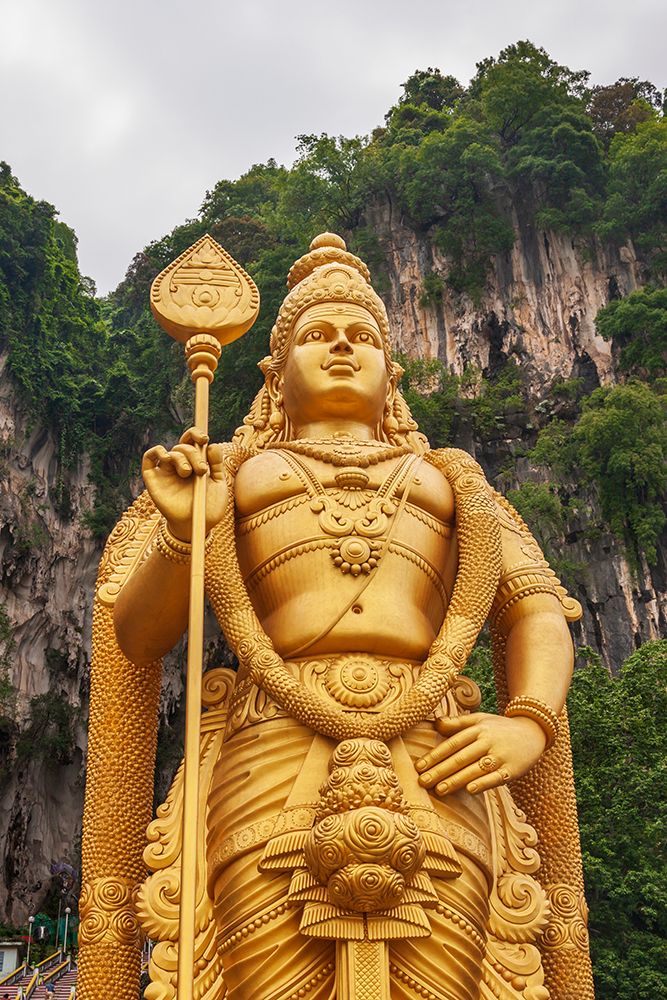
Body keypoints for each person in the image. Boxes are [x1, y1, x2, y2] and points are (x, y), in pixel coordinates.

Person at [80, 234, 593, 1000]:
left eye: (363, 337)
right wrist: (184, 534)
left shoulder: (452, 484)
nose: (343, 347)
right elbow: (136, 633)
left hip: (433, 754)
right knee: (262, 976)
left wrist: (528, 721)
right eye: (317, 336)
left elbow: (535, 609)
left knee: (446, 977)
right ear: (274, 372)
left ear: (392, 371)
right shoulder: (226, 475)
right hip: (271, 748)